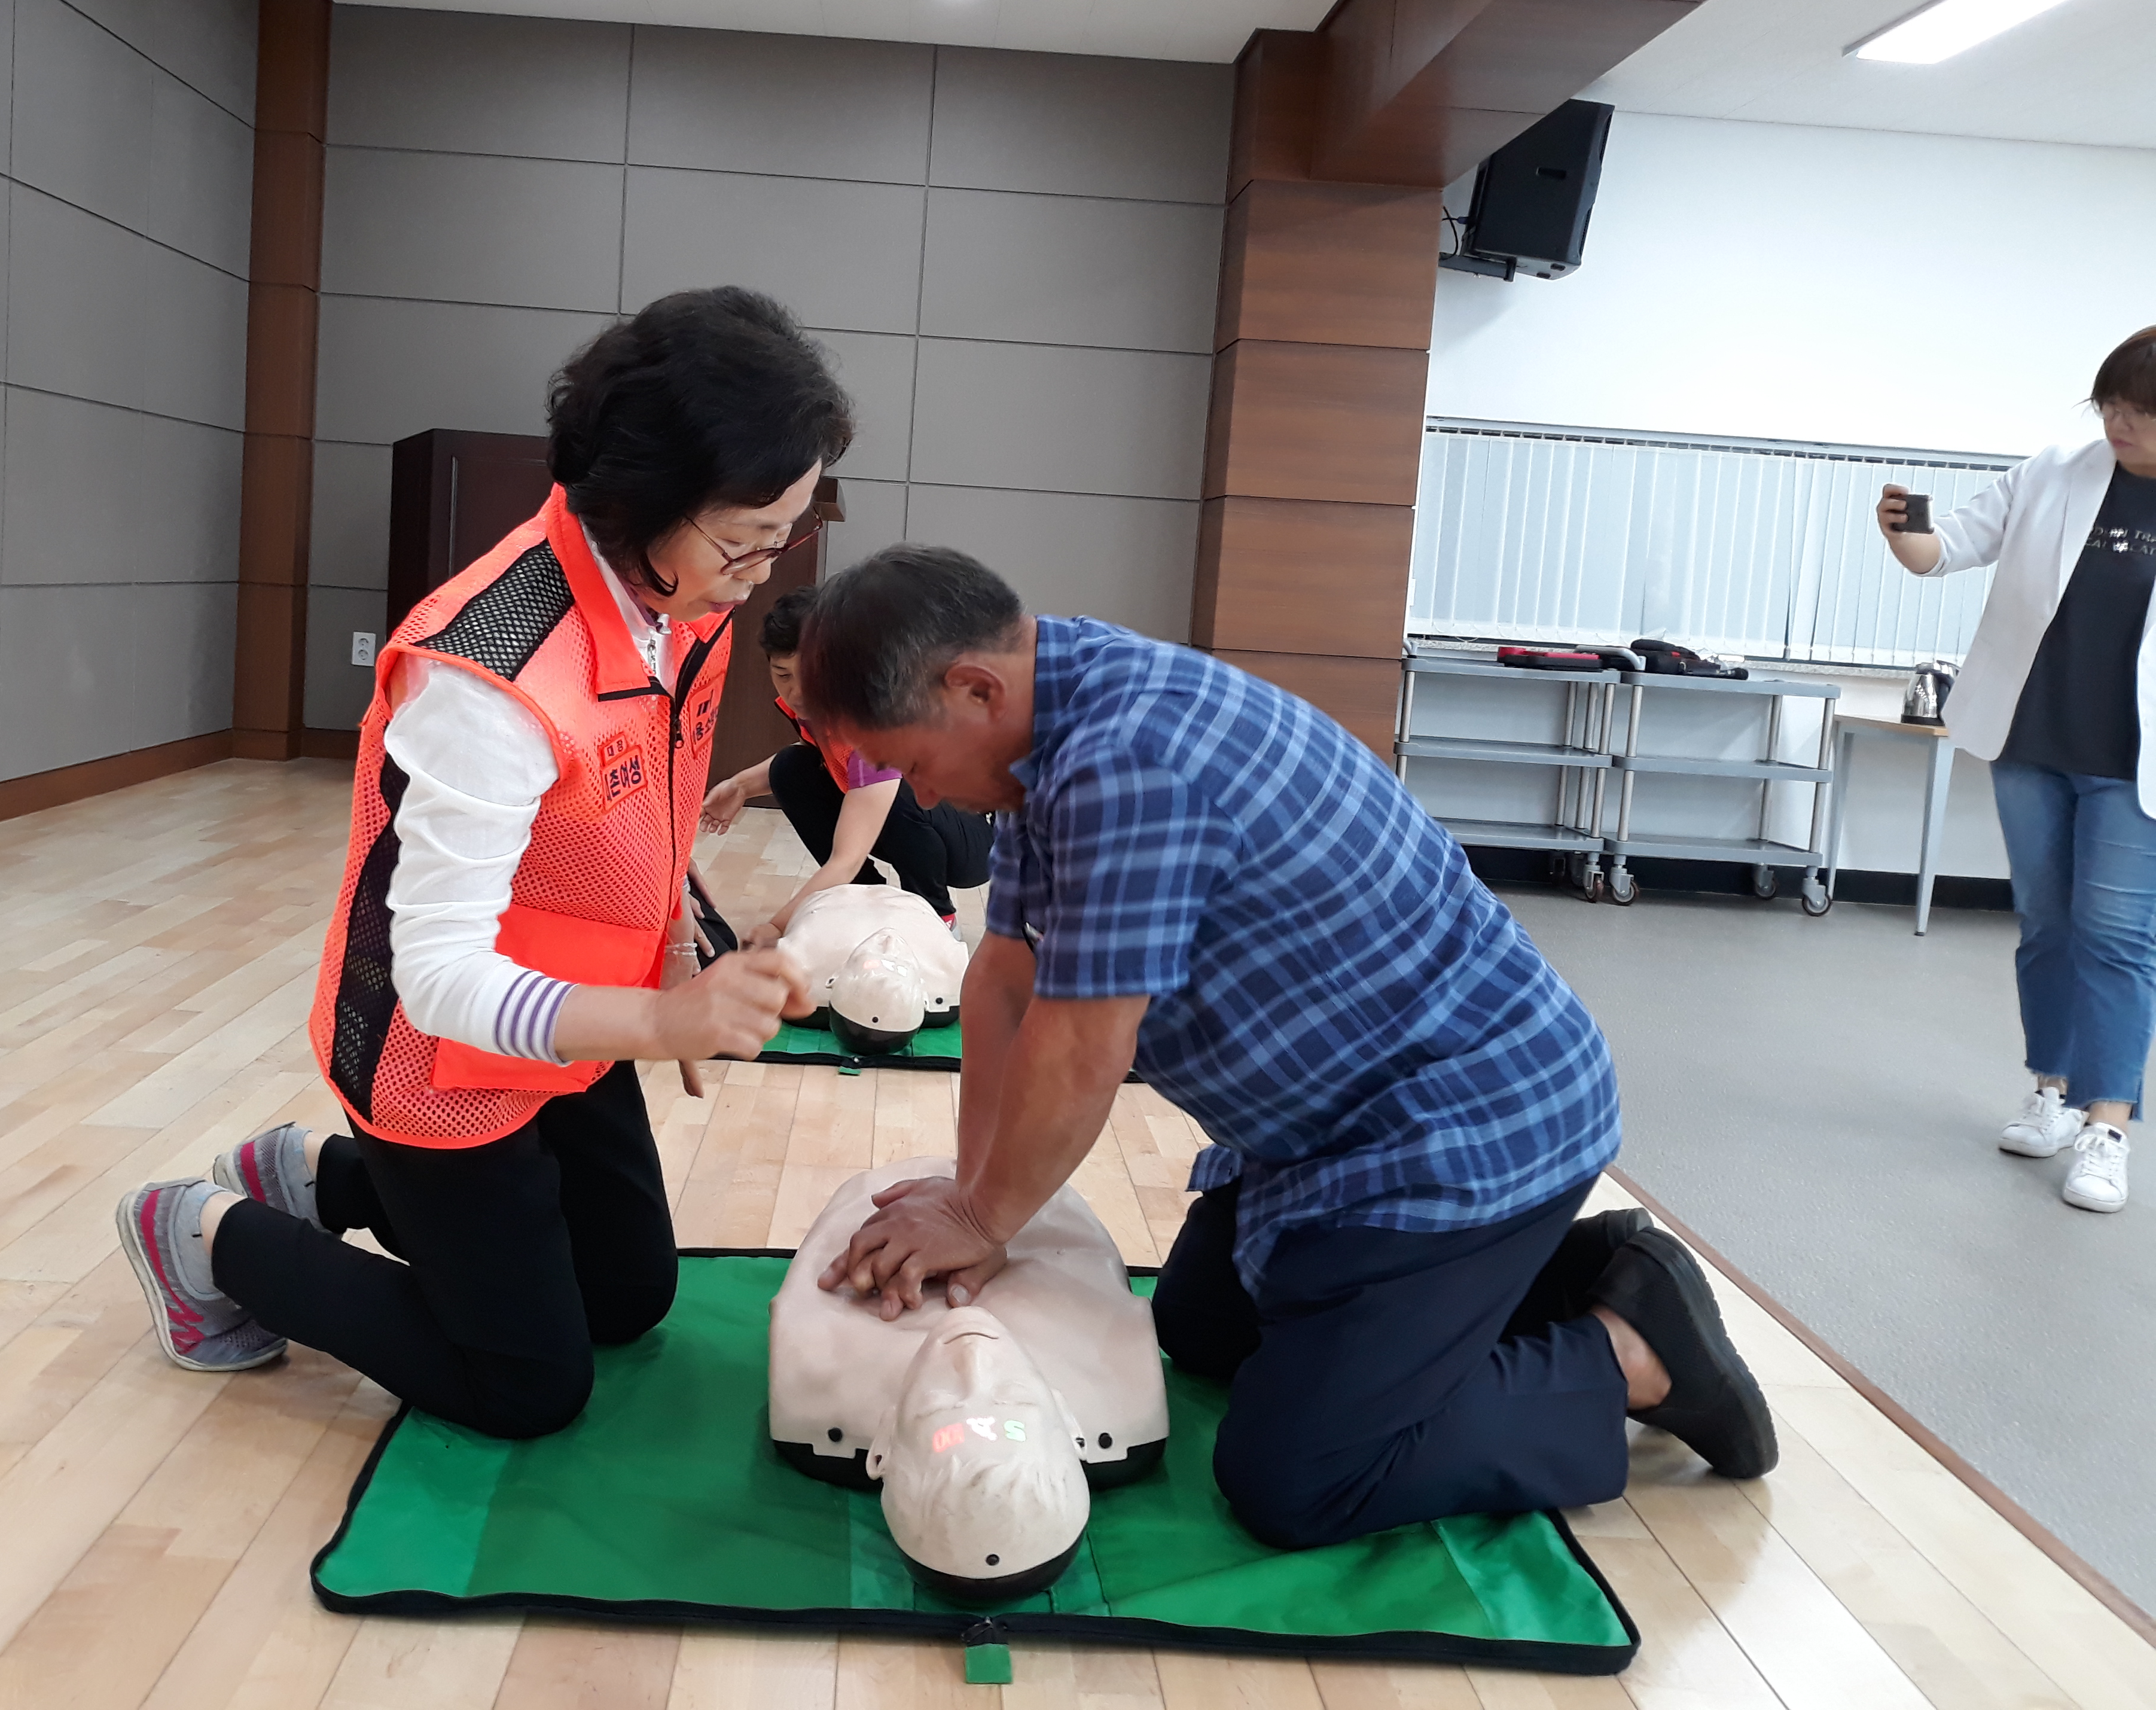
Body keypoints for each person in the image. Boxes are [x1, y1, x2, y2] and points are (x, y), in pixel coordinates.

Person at [795, 547, 1776, 1549]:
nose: (925, 800)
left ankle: (1630, 1355)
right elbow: (1005, 977)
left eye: (915, 765)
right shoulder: (1051, 714)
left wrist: (980, 1214)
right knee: (1201, 1327)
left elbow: (1083, 1044)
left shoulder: (1129, 762)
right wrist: (976, 1200)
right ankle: (1576, 1272)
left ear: (976, 688)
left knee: (1299, 1477)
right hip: (1337, 1130)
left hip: (1465, 1126)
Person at [112, 288, 828, 1438]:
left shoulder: (683, 598)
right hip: (438, 1050)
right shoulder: (485, 673)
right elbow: (436, 977)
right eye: (745, 536)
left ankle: (316, 1177)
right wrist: (662, 1023)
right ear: (644, 497)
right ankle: (201, 1234)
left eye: (782, 532)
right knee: (528, 1387)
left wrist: (678, 944)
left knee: (627, 1298)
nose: (762, 568)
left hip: (572, 1020)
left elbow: (644, 797)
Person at [1879, 325, 2156, 1214]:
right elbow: (1944, 550)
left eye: (2141, 412)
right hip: (2032, 740)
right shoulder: (2052, 474)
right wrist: (1904, 532)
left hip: (2136, 764)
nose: (2118, 423)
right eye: (2110, 405)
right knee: (2046, 925)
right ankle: (2054, 1092)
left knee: (2116, 938)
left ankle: (2108, 1127)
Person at [701, 587, 993, 941]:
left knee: (899, 789)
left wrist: (776, 927)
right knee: (790, 767)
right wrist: (740, 786)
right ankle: (866, 899)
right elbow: (819, 752)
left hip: (968, 843)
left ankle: (936, 916)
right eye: (783, 675)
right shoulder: (817, 708)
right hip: (909, 821)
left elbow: (846, 857)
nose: (797, 692)